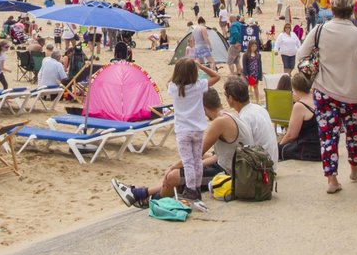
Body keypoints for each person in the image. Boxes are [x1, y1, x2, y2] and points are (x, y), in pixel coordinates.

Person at [112, 88, 243, 208]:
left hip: (227, 173)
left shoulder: (219, 122)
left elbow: (196, 154)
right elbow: (214, 156)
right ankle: (140, 194)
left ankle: (147, 199)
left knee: (173, 176)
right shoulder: (228, 115)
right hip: (229, 165)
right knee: (186, 168)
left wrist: (173, 167)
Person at [296, 0, 357, 194]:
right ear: (352, 10)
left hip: (326, 91)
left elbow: (301, 55)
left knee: (328, 135)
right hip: (355, 93)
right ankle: (355, 167)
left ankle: (332, 179)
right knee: (353, 132)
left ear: (332, 9)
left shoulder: (320, 31)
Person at [167, 58, 221, 205]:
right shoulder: (199, 86)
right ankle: (196, 188)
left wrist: (176, 73)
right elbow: (217, 76)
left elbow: (168, 82)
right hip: (198, 129)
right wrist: (201, 66)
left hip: (183, 131)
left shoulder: (174, 88)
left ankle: (190, 190)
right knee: (197, 160)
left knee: (188, 162)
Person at [223, 76, 278, 163]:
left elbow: (245, 149)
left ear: (230, 98)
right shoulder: (259, 109)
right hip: (271, 159)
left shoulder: (244, 118)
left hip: (261, 166)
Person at [279, 71, 321, 161]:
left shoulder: (300, 105)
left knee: (279, 149)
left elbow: (291, 135)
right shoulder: (317, 97)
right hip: (322, 146)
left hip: (309, 149)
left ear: (295, 89)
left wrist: (280, 145)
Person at [242, 37, 264, 102]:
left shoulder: (258, 55)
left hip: (255, 74)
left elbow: (260, 65)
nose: (254, 48)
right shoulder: (245, 55)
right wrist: (246, 74)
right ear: (249, 46)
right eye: (252, 46)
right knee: (246, 88)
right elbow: (244, 65)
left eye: (255, 46)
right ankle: (246, 101)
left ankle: (257, 100)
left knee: (256, 87)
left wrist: (260, 75)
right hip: (249, 74)